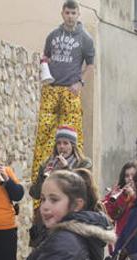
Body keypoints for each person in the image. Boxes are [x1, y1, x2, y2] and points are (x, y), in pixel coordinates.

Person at [30, 0, 95, 198]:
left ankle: (76, 168)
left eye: (73, 13)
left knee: (71, 133)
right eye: (67, 12)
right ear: (62, 13)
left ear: (78, 14)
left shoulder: (85, 38)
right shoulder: (53, 36)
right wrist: (44, 69)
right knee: (45, 131)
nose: (70, 16)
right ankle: (40, 175)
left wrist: (80, 83)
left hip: (69, 90)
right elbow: (46, 57)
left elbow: (91, 65)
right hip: (52, 88)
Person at [29, 126, 92, 245]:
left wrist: (67, 169)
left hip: (72, 217)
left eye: (65, 143)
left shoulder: (84, 163)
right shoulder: (47, 164)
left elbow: (83, 189)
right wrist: (44, 176)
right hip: (49, 220)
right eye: (58, 143)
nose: (61, 147)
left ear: (73, 145)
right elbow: (35, 193)